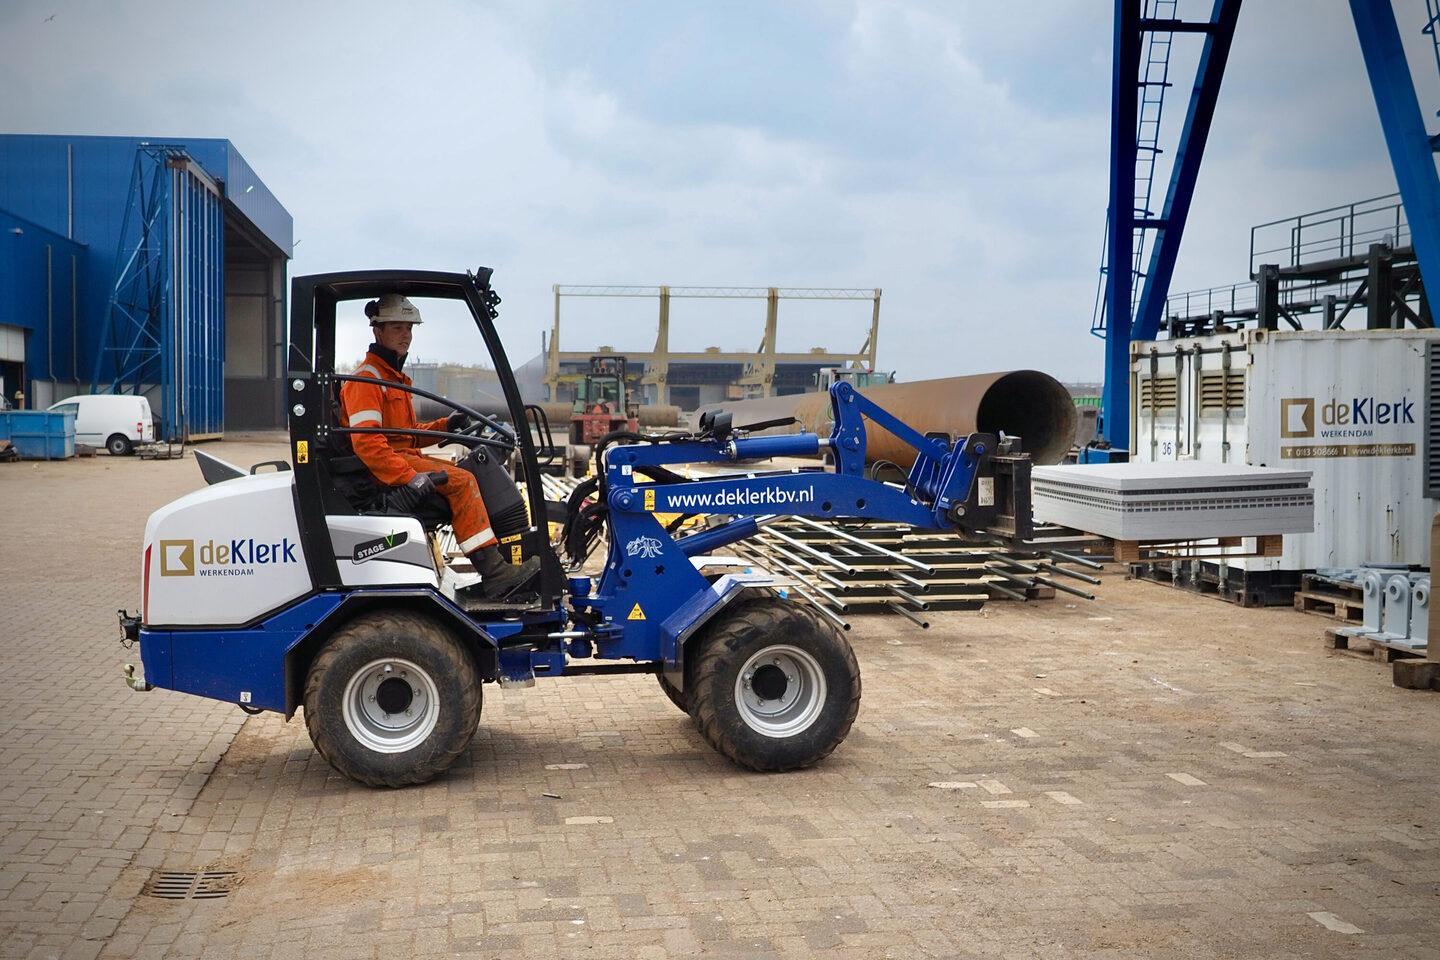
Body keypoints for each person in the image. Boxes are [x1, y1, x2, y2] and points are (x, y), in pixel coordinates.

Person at [340, 294, 539, 600]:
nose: (406, 335)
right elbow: (368, 444)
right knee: (463, 481)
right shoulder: (367, 381)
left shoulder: (391, 378)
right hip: (386, 469)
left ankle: (501, 562)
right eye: (397, 328)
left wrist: (446, 427)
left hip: (400, 458)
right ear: (377, 330)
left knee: (467, 472)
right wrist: (410, 479)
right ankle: (496, 573)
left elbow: (404, 435)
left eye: (409, 328)